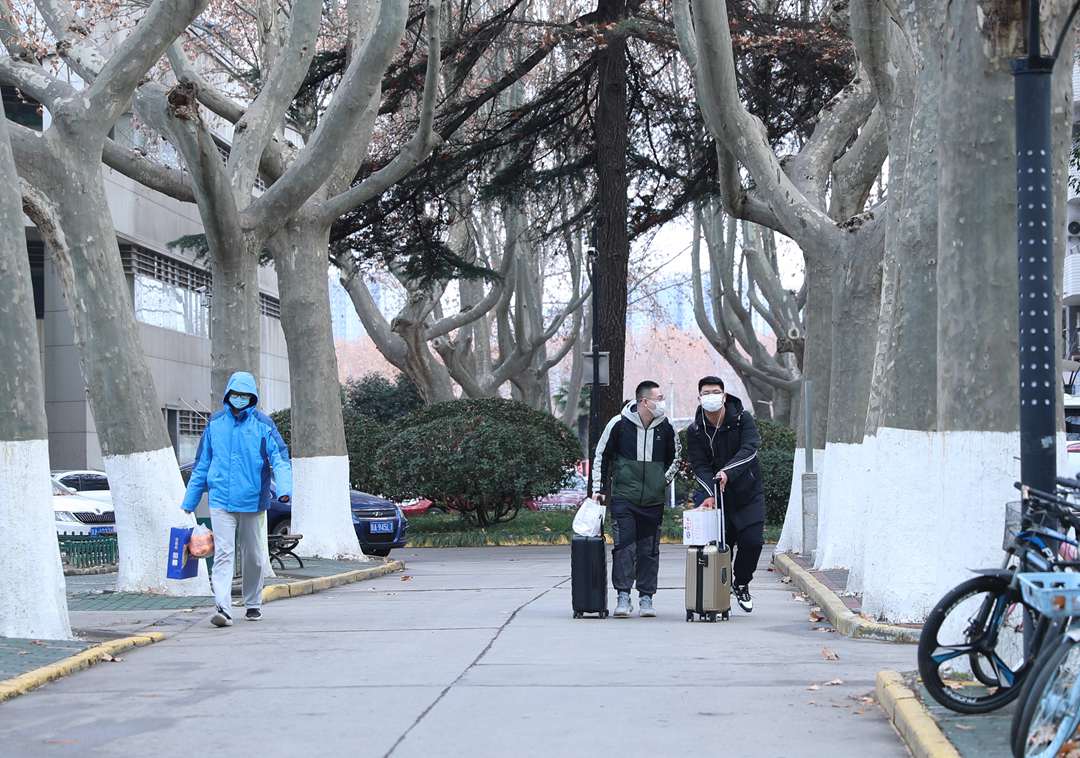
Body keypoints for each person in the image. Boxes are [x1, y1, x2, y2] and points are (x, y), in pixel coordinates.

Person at [181, 371, 292, 627]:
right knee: (223, 553)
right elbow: (202, 463)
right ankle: (223, 608)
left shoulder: (264, 425)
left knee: (253, 555)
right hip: (220, 499)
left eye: (245, 395)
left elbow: (280, 459)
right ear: (228, 395)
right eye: (236, 394)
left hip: (254, 501)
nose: (240, 398)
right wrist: (190, 500)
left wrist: (285, 489)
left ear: (252, 397)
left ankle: (253, 603)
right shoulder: (215, 423)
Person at [592, 380, 680, 618]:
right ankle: (623, 596)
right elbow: (602, 455)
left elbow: (676, 458)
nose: (662, 403)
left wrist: (661, 481)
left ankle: (646, 597)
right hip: (624, 498)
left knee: (648, 550)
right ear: (644, 401)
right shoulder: (619, 424)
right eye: (659, 399)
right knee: (624, 548)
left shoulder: (667, 427)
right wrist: (599, 488)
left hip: (653, 501)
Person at [685, 376, 765, 613]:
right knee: (720, 548)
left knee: (753, 542)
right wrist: (709, 492)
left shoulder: (742, 419)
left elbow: (750, 450)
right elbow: (699, 464)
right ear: (699, 397)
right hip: (717, 497)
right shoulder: (695, 430)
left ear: (724, 395)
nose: (711, 396)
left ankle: (741, 583)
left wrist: (727, 472)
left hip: (748, 493)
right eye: (706, 393)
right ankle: (719, 594)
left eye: (715, 392)